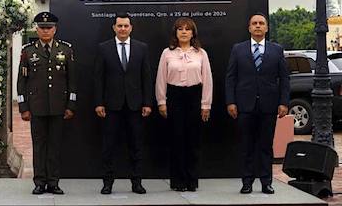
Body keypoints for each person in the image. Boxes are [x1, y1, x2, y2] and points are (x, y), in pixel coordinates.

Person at [226, 13, 289, 195]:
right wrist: (231, 101)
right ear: (249, 28)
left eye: (261, 23)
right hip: (244, 105)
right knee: (246, 145)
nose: (258, 26)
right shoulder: (238, 49)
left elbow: (284, 78)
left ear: (267, 28)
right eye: (254, 23)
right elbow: (231, 77)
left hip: (269, 106)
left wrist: (284, 102)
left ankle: (266, 182)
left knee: (265, 146)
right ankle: (247, 182)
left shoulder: (277, 50)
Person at [17, 11, 77, 195]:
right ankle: (39, 182)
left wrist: (70, 105)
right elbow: (21, 82)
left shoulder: (65, 50)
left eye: (49, 28)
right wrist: (23, 107)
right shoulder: (28, 51)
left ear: (55, 29)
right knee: (39, 146)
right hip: (37, 107)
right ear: (37, 29)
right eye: (42, 28)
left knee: (55, 146)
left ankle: (53, 182)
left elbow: (72, 81)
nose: (45, 31)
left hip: (59, 107)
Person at [94, 13, 153, 195]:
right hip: (111, 105)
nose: (122, 29)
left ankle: (136, 182)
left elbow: (146, 77)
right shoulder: (103, 48)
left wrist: (147, 102)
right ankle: (108, 183)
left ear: (131, 28)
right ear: (114, 28)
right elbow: (98, 78)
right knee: (109, 146)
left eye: (126, 26)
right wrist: (99, 103)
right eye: (119, 26)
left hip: (135, 105)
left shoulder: (141, 48)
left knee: (136, 145)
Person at [155, 17, 212, 192]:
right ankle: (178, 181)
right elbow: (161, 78)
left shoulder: (201, 53)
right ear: (176, 33)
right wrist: (161, 101)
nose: (184, 32)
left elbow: (207, 80)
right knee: (176, 140)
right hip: (175, 96)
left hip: (194, 96)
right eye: (180, 29)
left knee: (193, 141)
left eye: (188, 29)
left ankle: (191, 180)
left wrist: (206, 105)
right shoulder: (167, 53)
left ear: (193, 33)